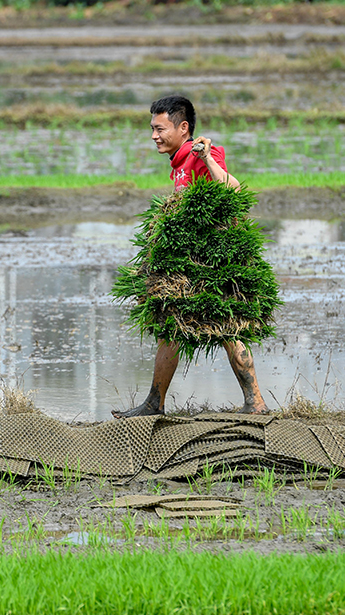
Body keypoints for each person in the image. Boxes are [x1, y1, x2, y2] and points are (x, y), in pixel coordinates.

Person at [112, 95, 268, 418]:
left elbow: (233, 191)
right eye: (152, 129)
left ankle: (255, 402)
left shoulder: (202, 153)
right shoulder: (179, 165)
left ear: (183, 128)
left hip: (210, 264)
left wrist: (208, 159)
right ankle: (156, 404)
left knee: (227, 329)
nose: (154, 135)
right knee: (174, 328)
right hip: (191, 263)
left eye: (160, 128)